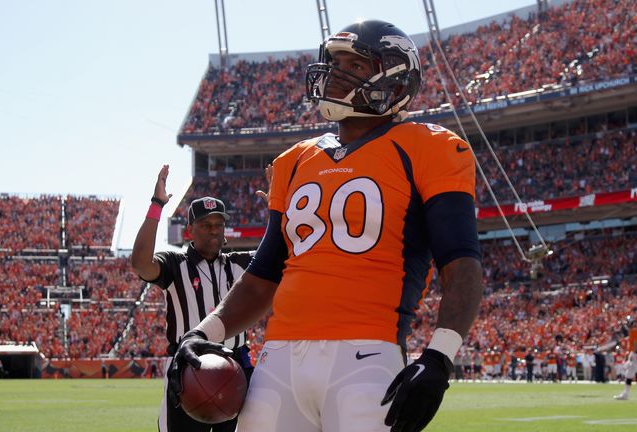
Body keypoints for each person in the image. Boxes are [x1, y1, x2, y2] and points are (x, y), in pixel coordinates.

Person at [168, 19, 483, 432]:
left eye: (354, 65)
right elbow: (264, 275)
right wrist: (203, 332)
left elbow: (462, 264)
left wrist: (440, 356)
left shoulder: (431, 146)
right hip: (277, 360)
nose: (335, 73)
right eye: (334, 61)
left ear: (395, 77)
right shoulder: (296, 159)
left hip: (367, 357)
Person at [131, 165, 257, 432]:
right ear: (190, 230)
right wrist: (157, 205)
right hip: (187, 368)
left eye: (219, 224)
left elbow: (283, 257)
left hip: (234, 368)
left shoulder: (241, 263)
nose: (213, 230)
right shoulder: (175, 264)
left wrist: (279, 212)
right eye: (205, 224)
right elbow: (141, 263)